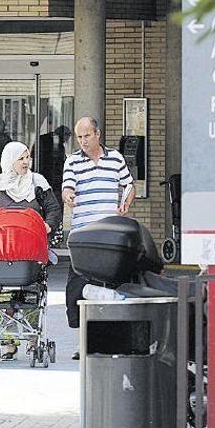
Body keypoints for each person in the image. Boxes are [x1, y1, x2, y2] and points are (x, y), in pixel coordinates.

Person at [0, 141, 62, 360]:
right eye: (21, 158)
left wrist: (47, 225)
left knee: (31, 294)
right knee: (1, 295)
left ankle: (33, 338)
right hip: (2, 254)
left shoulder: (38, 184)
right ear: (10, 161)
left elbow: (54, 210)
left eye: (28, 157)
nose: (27, 162)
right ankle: (7, 342)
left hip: (30, 254)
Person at [62, 117, 135, 360]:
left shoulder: (115, 158)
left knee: (112, 288)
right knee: (78, 289)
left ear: (98, 134)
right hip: (83, 236)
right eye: (79, 137)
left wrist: (127, 200)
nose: (82, 141)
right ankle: (82, 342)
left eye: (87, 136)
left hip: (109, 235)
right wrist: (69, 195)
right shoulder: (72, 161)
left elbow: (129, 185)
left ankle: (111, 340)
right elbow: (67, 188)